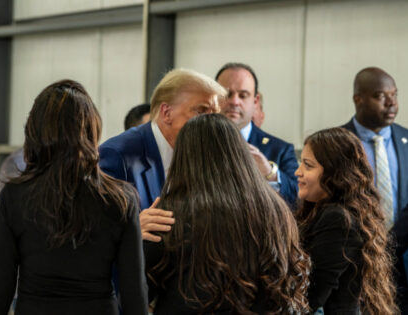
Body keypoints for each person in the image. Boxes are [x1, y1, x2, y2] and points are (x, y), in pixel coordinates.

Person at [0, 80, 148, 315]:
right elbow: (134, 292)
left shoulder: (14, 196)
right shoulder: (120, 198)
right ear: (91, 131)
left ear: (34, 131)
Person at [144, 114, 310, 314]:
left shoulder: (168, 213)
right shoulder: (275, 209)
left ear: (184, 157)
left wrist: (134, 232)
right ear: (240, 153)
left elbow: (139, 287)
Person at [100, 68, 226, 241]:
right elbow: (92, 233)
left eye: (215, 114)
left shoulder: (211, 154)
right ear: (166, 113)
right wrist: (131, 230)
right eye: (201, 111)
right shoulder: (118, 155)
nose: (211, 123)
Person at [295, 127, 397, 314]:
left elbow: (311, 296)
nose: (297, 172)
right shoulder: (326, 212)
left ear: (335, 173)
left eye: (308, 166)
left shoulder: (338, 218)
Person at [215, 62, 298, 207]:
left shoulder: (280, 150)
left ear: (255, 101)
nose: (235, 101)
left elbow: (297, 198)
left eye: (243, 95)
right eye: (227, 94)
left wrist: (270, 175)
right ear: (214, 97)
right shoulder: (194, 143)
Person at [342, 67, 408, 221]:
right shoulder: (336, 142)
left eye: (394, 94)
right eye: (380, 96)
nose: (391, 103)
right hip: (353, 239)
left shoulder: (407, 139)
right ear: (358, 99)